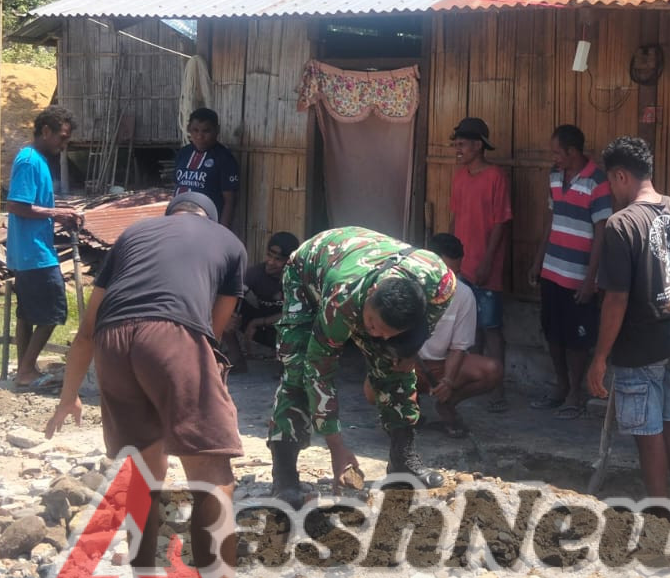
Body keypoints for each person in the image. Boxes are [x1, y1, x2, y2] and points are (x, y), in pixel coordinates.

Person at [42, 194, 294, 578]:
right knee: (211, 478)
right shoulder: (228, 243)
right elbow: (213, 329)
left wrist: (69, 395)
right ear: (209, 219)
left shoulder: (133, 235)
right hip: (172, 337)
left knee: (141, 473)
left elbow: (87, 329)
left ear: (171, 215)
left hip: (113, 345)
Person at [267, 227, 457, 503]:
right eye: (371, 326)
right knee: (298, 371)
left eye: (385, 332)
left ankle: (403, 461)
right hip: (310, 270)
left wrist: (410, 349)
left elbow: (428, 318)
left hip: (365, 265)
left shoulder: (439, 282)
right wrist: (337, 448)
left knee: (395, 366)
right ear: (370, 300)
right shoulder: (342, 299)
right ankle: (284, 478)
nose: (375, 336)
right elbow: (318, 371)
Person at [589, 135, 670, 501]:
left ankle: (659, 515)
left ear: (619, 176)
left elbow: (616, 299)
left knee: (648, 434)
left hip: (642, 344)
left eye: (609, 182)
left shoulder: (621, 224)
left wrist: (600, 358)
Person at [528, 124, 613, 419]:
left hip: (580, 275)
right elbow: (551, 220)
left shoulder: (597, 181)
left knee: (578, 339)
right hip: (552, 269)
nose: (554, 158)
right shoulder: (554, 177)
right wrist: (538, 260)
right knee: (553, 333)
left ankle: (576, 393)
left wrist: (591, 280)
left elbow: (602, 233)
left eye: (557, 152)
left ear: (573, 152)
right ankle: (561, 387)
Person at [5, 106, 81, 388]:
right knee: (53, 312)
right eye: (61, 138)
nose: (63, 144)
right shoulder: (29, 162)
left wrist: (60, 211)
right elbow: (16, 205)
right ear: (45, 131)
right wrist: (57, 215)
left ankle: (25, 368)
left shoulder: (35, 160)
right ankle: (26, 371)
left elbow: (35, 205)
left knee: (27, 313)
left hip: (27, 251)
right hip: (35, 253)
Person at [448, 116, 511, 412]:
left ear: (478, 146)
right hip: (461, 266)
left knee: (491, 327)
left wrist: (487, 262)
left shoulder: (496, 176)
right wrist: (446, 254)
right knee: (467, 331)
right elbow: (454, 216)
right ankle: (473, 382)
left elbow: (501, 224)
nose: (458, 150)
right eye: (456, 145)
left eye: (462, 145)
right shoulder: (459, 176)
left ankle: (498, 389)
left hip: (486, 267)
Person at [411, 234, 504, 436]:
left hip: (443, 365)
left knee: (492, 370)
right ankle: (409, 408)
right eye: (445, 273)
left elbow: (459, 347)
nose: (449, 281)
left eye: (455, 273)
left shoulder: (463, 294)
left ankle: (447, 404)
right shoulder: (406, 286)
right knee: (373, 388)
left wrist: (448, 382)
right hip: (409, 364)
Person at [223, 231, 300, 370]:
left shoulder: (298, 279)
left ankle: (291, 367)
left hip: (286, 328)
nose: (271, 262)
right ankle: (237, 359)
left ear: (290, 260)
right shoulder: (256, 274)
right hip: (263, 327)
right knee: (224, 310)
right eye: (269, 256)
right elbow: (234, 295)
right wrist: (231, 317)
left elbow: (296, 313)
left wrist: (257, 322)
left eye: (278, 259)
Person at [173, 108, 241, 229]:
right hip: (178, 223)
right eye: (195, 130)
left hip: (207, 226)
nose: (200, 136)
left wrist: (222, 232)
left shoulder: (224, 158)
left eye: (206, 131)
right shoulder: (183, 154)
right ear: (189, 129)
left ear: (217, 130)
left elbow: (230, 200)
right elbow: (177, 187)